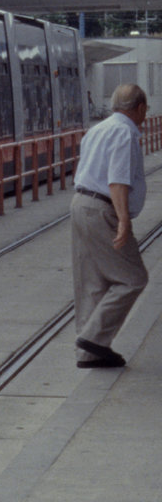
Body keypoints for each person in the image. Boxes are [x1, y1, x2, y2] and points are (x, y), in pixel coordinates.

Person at [70, 83, 150, 369]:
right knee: (133, 278)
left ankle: (90, 353)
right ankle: (92, 339)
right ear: (140, 108)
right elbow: (117, 180)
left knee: (92, 280)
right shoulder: (125, 132)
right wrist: (124, 221)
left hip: (80, 204)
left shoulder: (98, 129)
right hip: (103, 208)